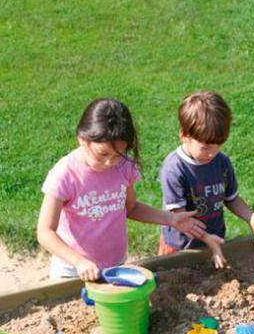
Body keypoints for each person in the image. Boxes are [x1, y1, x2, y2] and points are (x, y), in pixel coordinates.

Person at [37, 98, 207, 281]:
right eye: (102, 154)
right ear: (82, 139)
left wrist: (171, 219)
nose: (110, 162)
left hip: (115, 265)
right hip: (72, 270)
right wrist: (78, 262)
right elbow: (45, 232)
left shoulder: (124, 167)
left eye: (118, 155)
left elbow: (131, 207)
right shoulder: (64, 175)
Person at [159, 90, 254, 268]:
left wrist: (252, 218)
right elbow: (180, 219)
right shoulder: (174, 169)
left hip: (214, 240)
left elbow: (232, 199)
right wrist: (206, 239)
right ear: (184, 136)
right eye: (205, 148)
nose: (212, 153)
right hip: (180, 247)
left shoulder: (221, 162)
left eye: (218, 146)